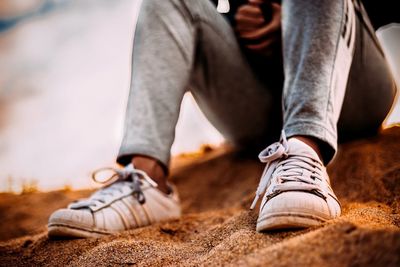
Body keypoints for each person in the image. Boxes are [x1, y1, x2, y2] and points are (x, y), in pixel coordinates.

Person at [47, 0, 396, 238]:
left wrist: (293, 19)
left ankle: (304, 153)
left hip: (355, 95)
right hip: (257, 115)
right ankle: (146, 181)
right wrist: (237, 19)